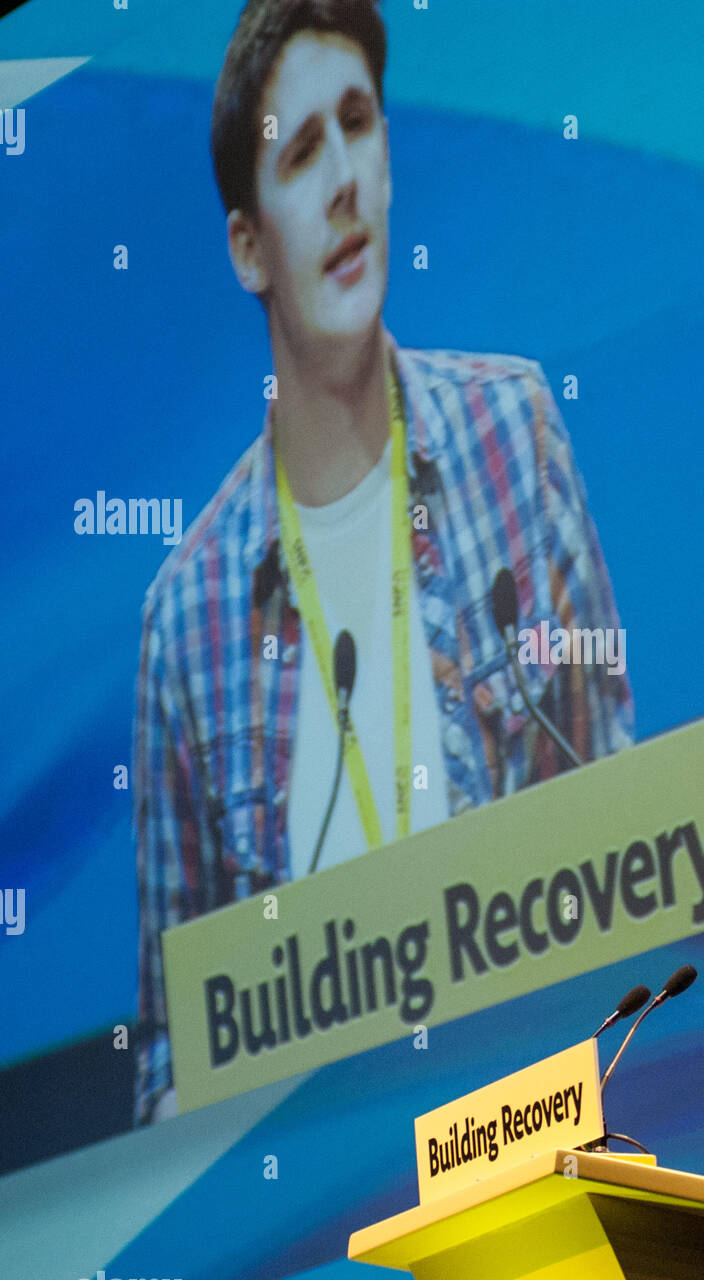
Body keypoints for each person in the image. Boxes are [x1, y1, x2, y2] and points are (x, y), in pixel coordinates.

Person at [132, 0, 632, 1125]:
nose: (346, 177)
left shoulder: (516, 435)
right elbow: (170, 1052)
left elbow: (616, 820)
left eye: (359, 125)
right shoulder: (189, 616)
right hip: (321, 1200)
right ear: (248, 245)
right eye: (302, 153)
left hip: (531, 1126)